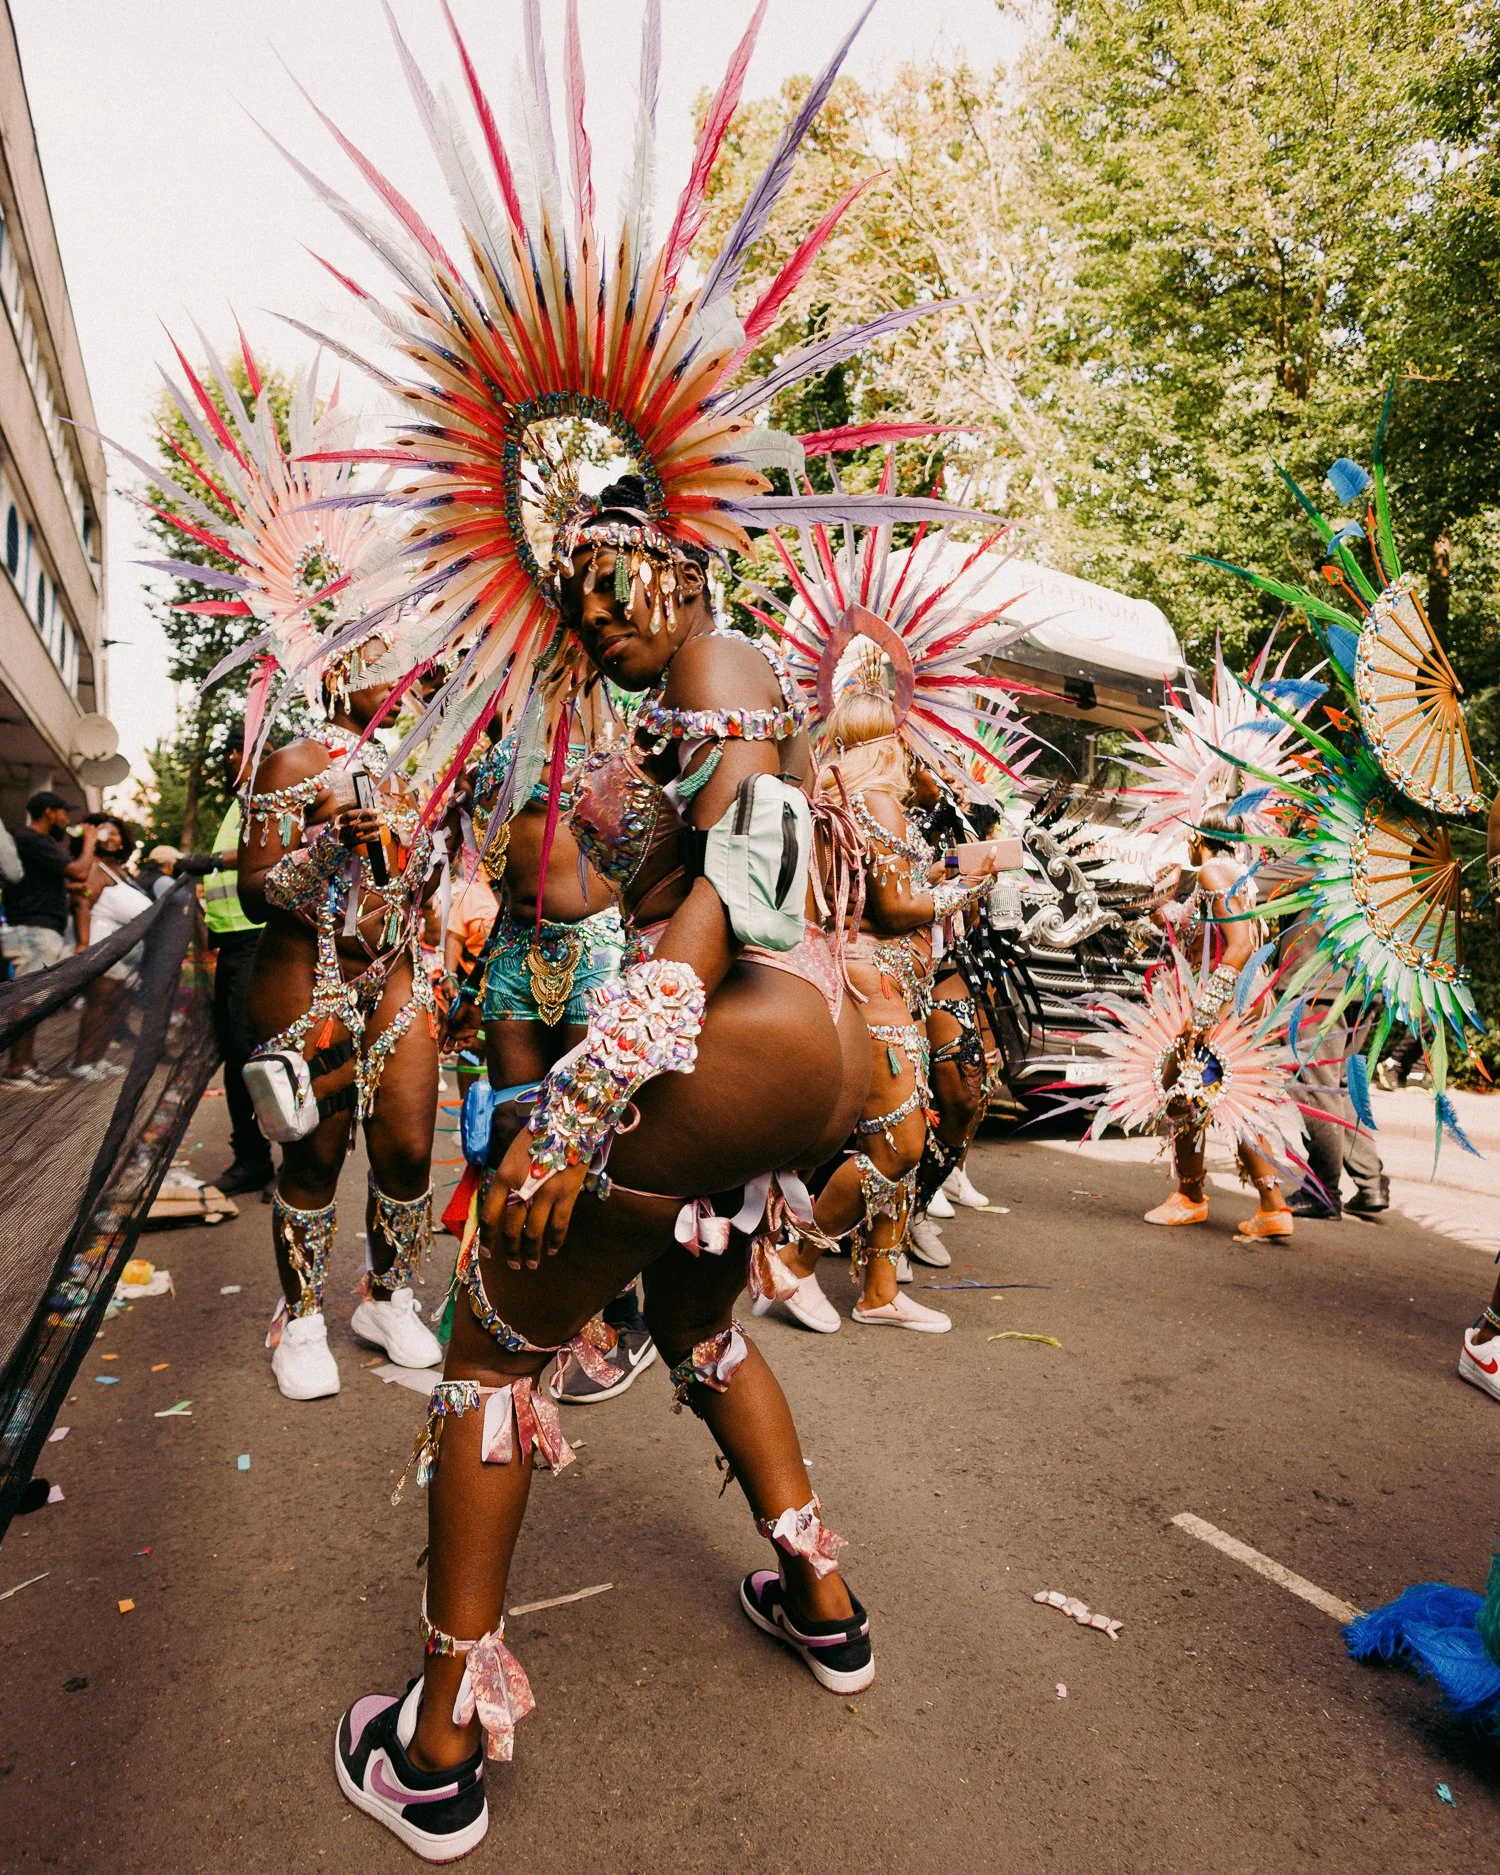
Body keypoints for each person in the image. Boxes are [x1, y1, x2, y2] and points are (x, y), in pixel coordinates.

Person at [238, 671, 447, 1398]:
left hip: (396, 974)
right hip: (307, 974)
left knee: (411, 1149)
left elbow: (421, 883)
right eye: (401, 667)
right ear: (339, 673)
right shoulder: (293, 764)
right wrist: (329, 846)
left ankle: (387, 1300)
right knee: (314, 1156)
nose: (416, 682)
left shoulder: (418, 768)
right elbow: (253, 889)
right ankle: (298, 1321)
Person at [454, 725, 650, 1406]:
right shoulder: (487, 736)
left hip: (596, 943)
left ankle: (613, 1309)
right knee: (514, 1119)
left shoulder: (615, 727)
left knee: (588, 1131)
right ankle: (521, 1292)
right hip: (512, 943)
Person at [1142, 810, 1294, 1238]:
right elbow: (1203, 932)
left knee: (1181, 1089)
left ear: (1197, 838)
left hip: (1221, 1001)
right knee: (1225, 1097)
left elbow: (1240, 944)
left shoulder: (1212, 872)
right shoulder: (1235, 871)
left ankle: (1190, 1197)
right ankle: (1272, 1206)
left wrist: (1203, 1013)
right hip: (1240, 1000)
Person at [203, 728, 275, 1198]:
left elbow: (262, 853)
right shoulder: (239, 801)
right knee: (237, 1056)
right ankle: (252, 1157)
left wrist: (200, 861)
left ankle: (290, 1162)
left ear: (239, 754)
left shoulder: (267, 793)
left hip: (259, 942)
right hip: (232, 946)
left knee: (260, 1055)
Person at [1, 791, 91, 1089]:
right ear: (50, 812)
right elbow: (79, 869)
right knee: (29, 1002)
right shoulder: (32, 839)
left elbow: (64, 878)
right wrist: (89, 840)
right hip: (34, 930)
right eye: (65, 813)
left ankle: (24, 1061)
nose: (67, 820)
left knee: (33, 1001)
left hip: (39, 929)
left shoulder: (36, 843)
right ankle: (17, 1066)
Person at [69, 814, 152, 1079]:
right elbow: (82, 903)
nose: (112, 838)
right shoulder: (95, 869)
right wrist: (83, 943)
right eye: (106, 832)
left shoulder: (121, 872)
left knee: (117, 1005)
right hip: (102, 944)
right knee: (100, 1004)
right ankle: (82, 1062)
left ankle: (98, 1057)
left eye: (117, 833)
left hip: (126, 949)